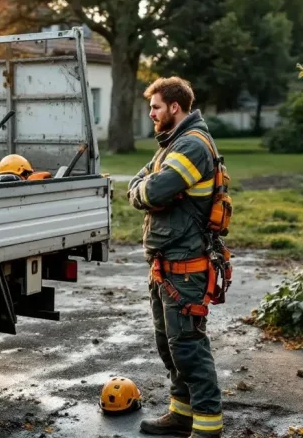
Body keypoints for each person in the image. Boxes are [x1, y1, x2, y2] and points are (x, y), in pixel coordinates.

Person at [127, 77, 223, 437]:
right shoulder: (173, 144)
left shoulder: (192, 146)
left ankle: (208, 427)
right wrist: (143, 187)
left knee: (188, 349)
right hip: (166, 266)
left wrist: (141, 191)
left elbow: (152, 190)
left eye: (155, 107)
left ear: (174, 108)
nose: (151, 113)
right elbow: (143, 180)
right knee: (169, 346)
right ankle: (181, 415)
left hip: (186, 267)